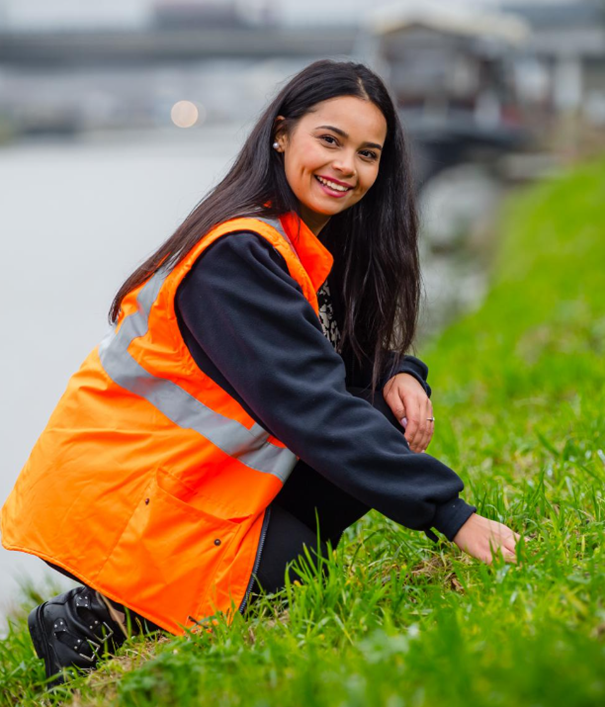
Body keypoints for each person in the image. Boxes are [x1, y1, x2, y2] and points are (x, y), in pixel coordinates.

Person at [1, 59, 521, 686]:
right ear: (282, 134)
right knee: (295, 568)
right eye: (329, 140)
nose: (347, 167)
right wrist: (454, 517)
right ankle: (91, 618)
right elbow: (315, 408)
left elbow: (331, 357)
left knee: (380, 416)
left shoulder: (301, 245)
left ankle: (135, 607)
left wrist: (400, 370)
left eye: (367, 153)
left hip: (187, 486)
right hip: (136, 504)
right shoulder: (238, 255)